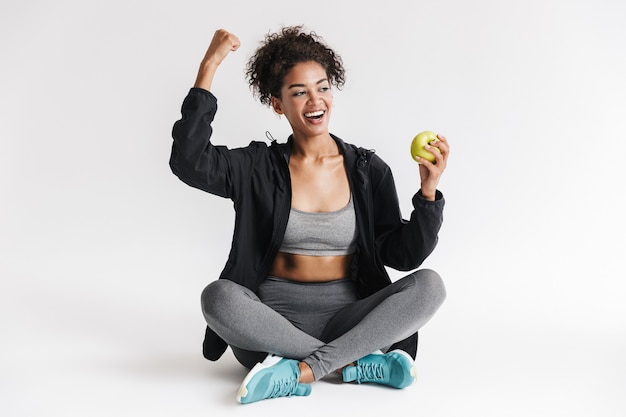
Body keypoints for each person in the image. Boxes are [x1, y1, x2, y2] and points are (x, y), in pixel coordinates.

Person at [169, 26, 450, 404]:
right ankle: (351, 363)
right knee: (217, 298)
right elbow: (189, 161)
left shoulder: (368, 170)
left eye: (322, 87)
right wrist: (209, 66)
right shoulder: (257, 167)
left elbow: (403, 255)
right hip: (271, 325)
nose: (315, 100)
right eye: (299, 92)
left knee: (430, 285)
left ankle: (300, 370)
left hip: (348, 319)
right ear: (277, 103)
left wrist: (428, 192)